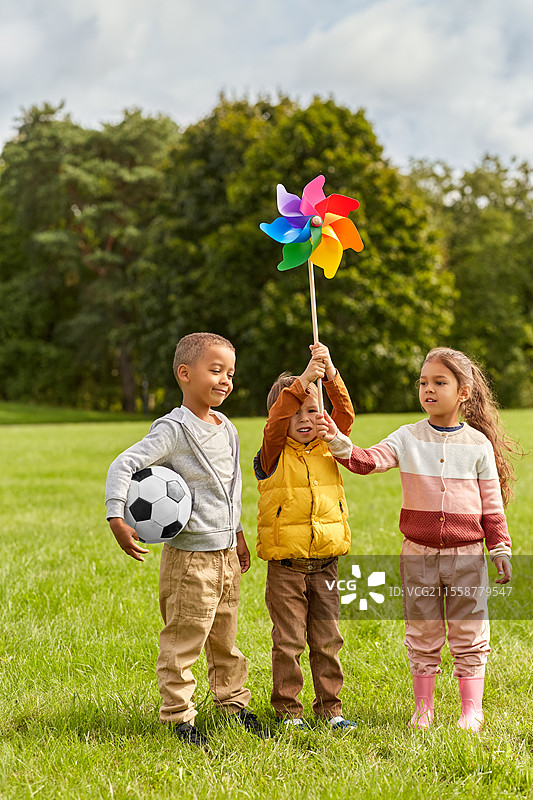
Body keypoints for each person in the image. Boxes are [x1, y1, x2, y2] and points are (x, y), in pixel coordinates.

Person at [317, 347, 519, 731]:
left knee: (469, 631)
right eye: (423, 382)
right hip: (418, 556)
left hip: (467, 557)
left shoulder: (478, 445)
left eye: (439, 382)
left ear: (464, 392)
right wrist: (336, 438)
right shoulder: (408, 437)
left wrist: (500, 550)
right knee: (422, 631)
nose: (428, 389)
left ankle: (470, 711)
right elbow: (366, 461)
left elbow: (492, 507)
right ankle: (423, 709)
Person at [105, 332, 268, 749]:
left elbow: (229, 490)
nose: (225, 380)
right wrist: (117, 517)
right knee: (184, 639)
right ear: (185, 373)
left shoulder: (227, 427)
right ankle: (178, 715)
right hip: (191, 561)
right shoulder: (173, 429)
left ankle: (232, 703)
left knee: (225, 638)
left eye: (230, 373)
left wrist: (239, 535)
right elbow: (125, 464)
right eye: (215, 371)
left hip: (226, 555)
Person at [254, 342, 358, 731]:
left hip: (327, 565)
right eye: (296, 411)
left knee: (328, 641)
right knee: (289, 642)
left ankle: (331, 710)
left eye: (312, 410)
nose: (304, 417)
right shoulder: (273, 452)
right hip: (286, 568)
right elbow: (278, 418)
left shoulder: (330, 447)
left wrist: (329, 374)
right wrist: (301, 384)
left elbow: (344, 412)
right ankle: (287, 712)